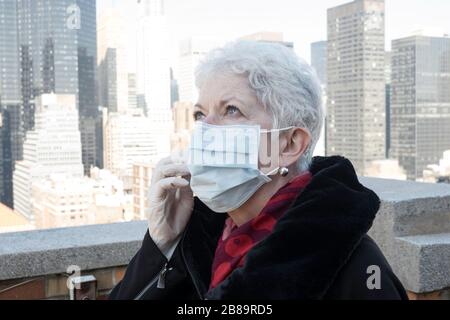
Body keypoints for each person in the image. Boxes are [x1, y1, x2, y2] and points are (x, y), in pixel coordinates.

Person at [109, 40, 408, 300]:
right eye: (200, 113)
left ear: (289, 144)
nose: (203, 129)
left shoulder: (357, 270)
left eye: (231, 110)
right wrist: (162, 245)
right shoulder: (199, 242)